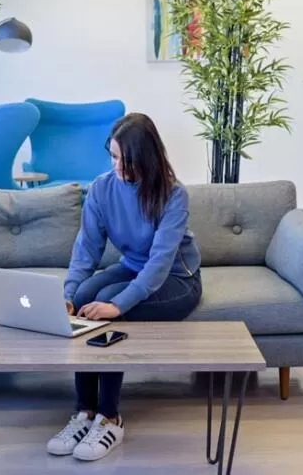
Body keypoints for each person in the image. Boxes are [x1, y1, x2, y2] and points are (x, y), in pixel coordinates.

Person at [46, 113, 202, 462]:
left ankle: (110, 417)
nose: (117, 166)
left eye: (125, 160)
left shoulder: (174, 195)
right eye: (113, 157)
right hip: (133, 268)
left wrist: (117, 305)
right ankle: (84, 413)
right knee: (87, 296)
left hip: (177, 279)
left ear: (147, 158)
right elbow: (86, 249)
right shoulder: (101, 188)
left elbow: (160, 264)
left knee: (105, 303)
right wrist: (68, 295)